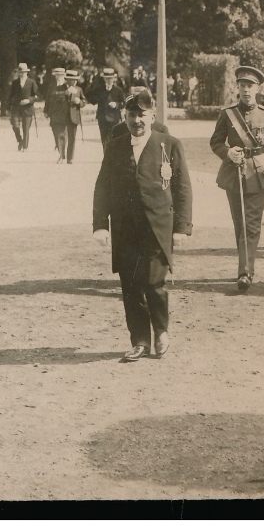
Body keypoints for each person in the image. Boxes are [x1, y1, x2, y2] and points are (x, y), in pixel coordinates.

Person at [92, 88, 192, 361]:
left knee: (153, 281)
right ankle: (139, 341)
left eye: (142, 115)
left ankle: (161, 331)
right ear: (125, 116)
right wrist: (100, 224)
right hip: (125, 228)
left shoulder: (169, 144)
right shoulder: (115, 147)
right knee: (130, 285)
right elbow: (103, 188)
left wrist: (181, 227)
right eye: (132, 115)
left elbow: (182, 188)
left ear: (153, 116)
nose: (137, 120)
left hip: (157, 227)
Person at [209, 66, 264, 292]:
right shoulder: (227, 113)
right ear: (237, 88)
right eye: (242, 85)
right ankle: (246, 264)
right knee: (240, 224)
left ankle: (245, 272)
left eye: (250, 86)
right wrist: (227, 152)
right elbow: (216, 142)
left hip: (259, 174)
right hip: (234, 173)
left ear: (258, 88)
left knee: (251, 225)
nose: (246, 90)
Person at [90, 68, 126, 146]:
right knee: (104, 139)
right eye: (107, 78)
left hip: (114, 118)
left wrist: (116, 104)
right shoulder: (99, 89)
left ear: (114, 79)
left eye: (110, 78)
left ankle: (112, 157)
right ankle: (106, 157)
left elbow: (123, 103)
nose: (109, 80)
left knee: (113, 139)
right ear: (104, 79)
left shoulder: (118, 90)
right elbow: (92, 100)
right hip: (102, 117)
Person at [8, 62, 39, 152]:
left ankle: (25, 146)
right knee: (15, 125)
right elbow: (10, 95)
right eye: (20, 72)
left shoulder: (32, 82)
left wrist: (29, 100)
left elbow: (36, 96)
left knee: (26, 128)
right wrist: (7, 108)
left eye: (23, 72)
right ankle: (20, 141)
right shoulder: (15, 83)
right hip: (16, 107)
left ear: (26, 72)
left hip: (27, 108)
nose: (21, 74)